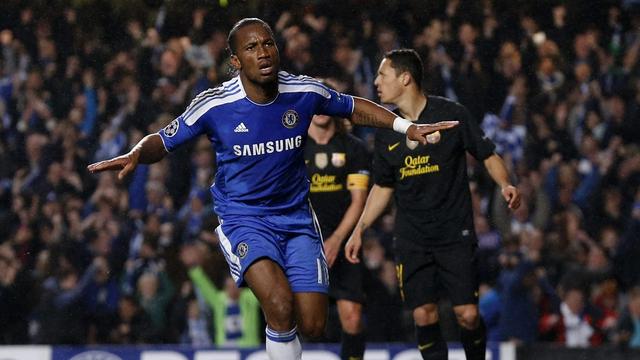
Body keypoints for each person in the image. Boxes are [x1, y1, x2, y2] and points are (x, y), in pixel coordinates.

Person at [87, 19, 457, 360]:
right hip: (243, 218)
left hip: (296, 218)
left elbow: (352, 107)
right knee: (279, 306)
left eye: (268, 44)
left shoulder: (303, 91)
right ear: (235, 60)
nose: (263, 52)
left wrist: (404, 127)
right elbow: (165, 139)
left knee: (312, 324)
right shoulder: (216, 104)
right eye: (251, 48)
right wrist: (136, 153)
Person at [345, 49, 521, 360]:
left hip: (455, 234)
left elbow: (487, 154)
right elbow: (383, 186)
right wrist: (360, 227)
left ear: (405, 78)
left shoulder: (450, 114)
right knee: (423, 315)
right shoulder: (387, 132)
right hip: (412, 238)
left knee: (467, 315)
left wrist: (505, 184)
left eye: (382, 75)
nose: (375, 82)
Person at [304, 97, 370, 359]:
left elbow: (359, 201)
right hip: (302, 242)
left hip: (343, 244)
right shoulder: (292, 148)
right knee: (302, 321)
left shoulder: (354, 148)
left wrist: (336, 240)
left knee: (353, 318)